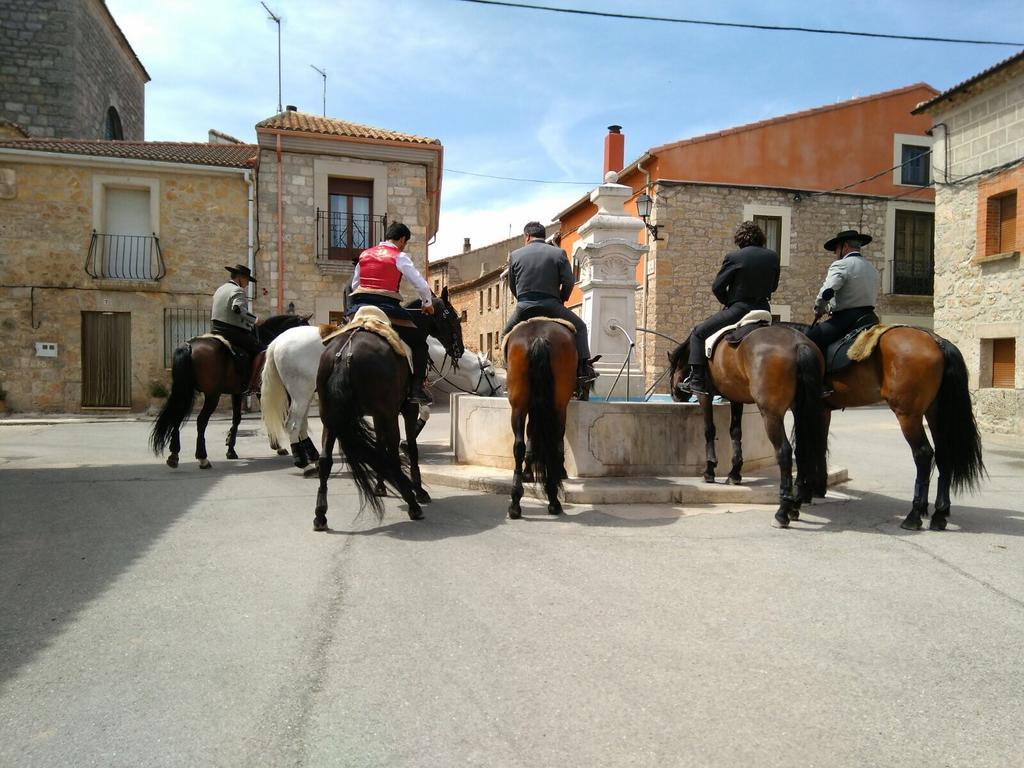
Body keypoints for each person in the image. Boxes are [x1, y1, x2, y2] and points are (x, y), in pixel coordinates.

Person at [679, 221, 780, 395]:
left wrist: (728, 302)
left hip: (739, 309)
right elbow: (773, 287)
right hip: (764, 308)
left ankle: (697, 381)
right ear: (761, 239)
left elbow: (717, 287)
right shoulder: (772, 257)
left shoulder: (734, 257)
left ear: (739, 240)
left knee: (698, 333)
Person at [500, 221, 597, 386]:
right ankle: (583, 370)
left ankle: (509, 369)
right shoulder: (559, 253)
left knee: (504, 335)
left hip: (524, 307)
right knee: (580, 327)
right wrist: (561, 299)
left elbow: (512, 285)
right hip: (552, 305)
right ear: (543, 236)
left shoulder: (515, 255)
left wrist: (523, 300)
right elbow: (569, 281)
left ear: (527, 236)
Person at [348, 221, 435, 404]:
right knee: (420, 344)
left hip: (358, 310)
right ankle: (416, 390)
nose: (404, 245)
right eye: (405, 242)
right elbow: (421, 284)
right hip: (387, 310)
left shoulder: (364, 255)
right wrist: (427, 303)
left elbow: (355, 285)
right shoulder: (399, 256)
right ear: (402, 239)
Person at [806, 229, 880, 353]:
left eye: (836, 249)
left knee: (809, 340)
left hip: (847, 320)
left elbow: (827, 291)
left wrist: (819, 309)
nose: (835, 252)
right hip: (871, 319)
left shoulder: (841, 265)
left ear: (844, 247)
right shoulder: (872, 268)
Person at [211, 264, 262, 387]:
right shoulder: (237, 290)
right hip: (232, 332)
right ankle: (254, 382)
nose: (248, 284)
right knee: (263, 350)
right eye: (247, 280)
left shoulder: (220, 289)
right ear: (240, 277)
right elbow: (237, 308)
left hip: (216, 330)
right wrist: (255, 320)